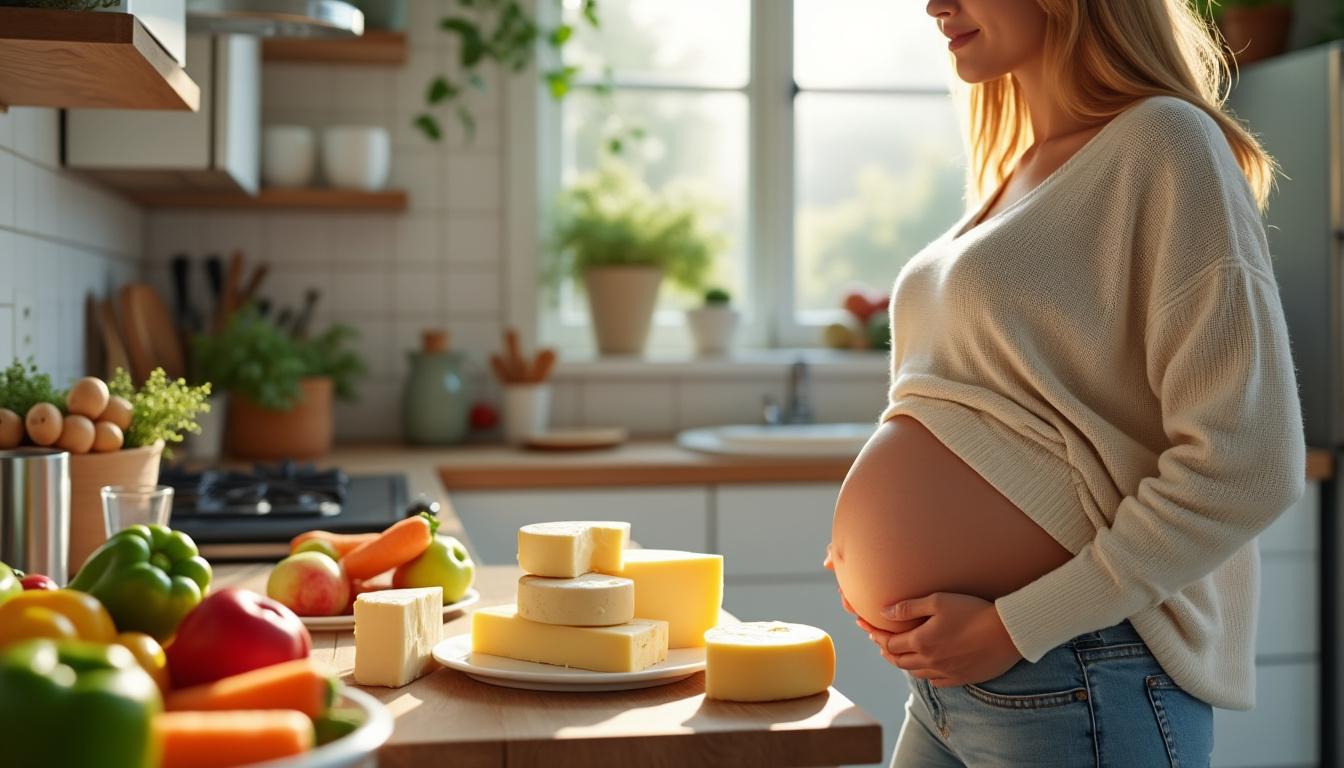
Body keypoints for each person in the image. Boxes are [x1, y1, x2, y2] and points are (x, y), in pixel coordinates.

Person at [823, 1, 1306, 765]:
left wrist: (1019, 624)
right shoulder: (1018, 169)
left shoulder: (1166, 142)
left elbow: (1249, 464)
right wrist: (878, 544)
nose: (934, 4)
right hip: (959, 690)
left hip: (1082, 670)